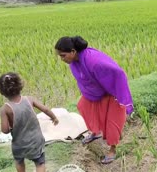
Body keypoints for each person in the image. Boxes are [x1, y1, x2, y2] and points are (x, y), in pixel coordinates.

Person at [55, 36, 133, 164]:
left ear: (73, 52)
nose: (62, 59)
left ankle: (112, 150)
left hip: (111, 91)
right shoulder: (74, 62)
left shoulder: (94, 61)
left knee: (112, 121)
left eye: (63, 55)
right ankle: (95, 132)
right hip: (95, 92)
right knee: (83, 106)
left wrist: (119, 94)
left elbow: (118, 73)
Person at [0, 72, 59, 172]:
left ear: (2, 92)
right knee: (40, 161)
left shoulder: (6, 109)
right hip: (36, 140)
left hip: (19, 144)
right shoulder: (29, 99)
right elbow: (45, 109)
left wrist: (10, 124)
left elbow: (4, 130)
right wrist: (54, 118)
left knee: (19, 161)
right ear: (20, 85)